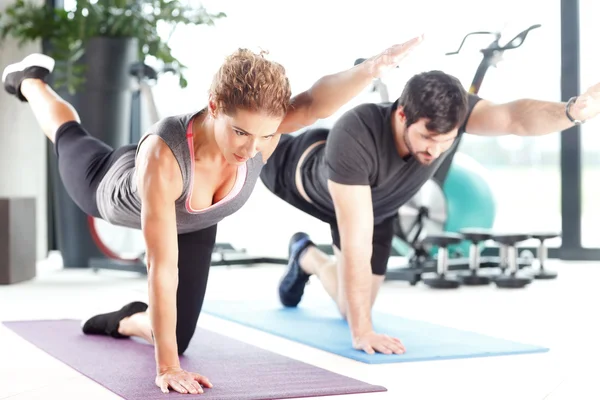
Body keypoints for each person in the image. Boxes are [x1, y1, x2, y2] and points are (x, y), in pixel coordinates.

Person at [1, 36, 422, 395]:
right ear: (215, 105)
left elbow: (313, 103)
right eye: (240, 132)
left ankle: (124, 320)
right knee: (69, 137)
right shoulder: (165, 159)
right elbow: (161, 268)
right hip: (114, 185)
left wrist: (370, 70)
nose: (249, 149)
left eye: (262, 135)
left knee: (178, 339)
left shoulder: (261, 133)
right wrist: (165, 369)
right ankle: (32, 81)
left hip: (197, 220)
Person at [260, 69, 600, 356]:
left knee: (350, 308)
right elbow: (357, 242)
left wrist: (572, 111)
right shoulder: (357, 131)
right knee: (356, 317)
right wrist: (363, 332)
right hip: (299, 171)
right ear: (401, 114)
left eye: (446, 141)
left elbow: (513, 118)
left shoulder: (452, 117)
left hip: (375, 207)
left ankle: (305, 255)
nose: (434, 150)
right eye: (426, 137)